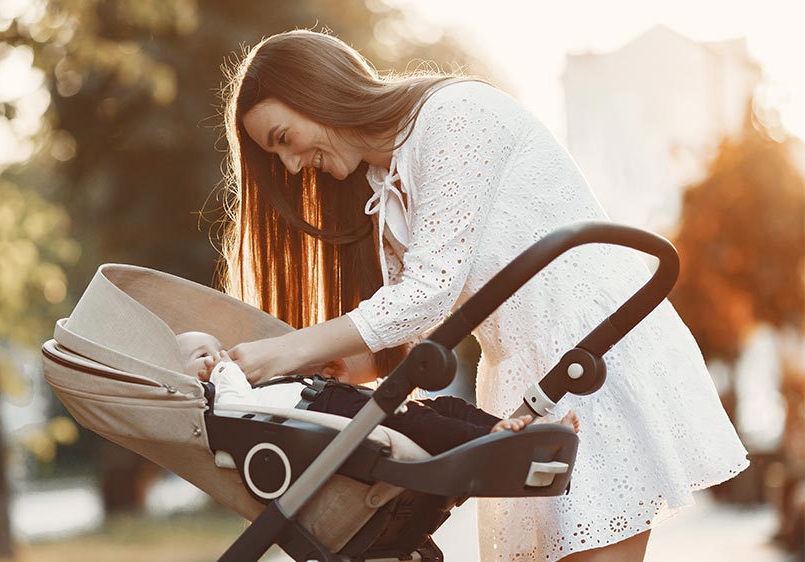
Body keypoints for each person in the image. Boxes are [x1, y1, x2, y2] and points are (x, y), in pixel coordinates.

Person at [214, 29, 749, 562]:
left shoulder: (454, 117)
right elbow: (406, 318)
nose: (288, 165)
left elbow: (426, 294)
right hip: (530, 373)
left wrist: (282, 351)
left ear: (318, 92)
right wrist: (328, 371)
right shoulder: (385, 185)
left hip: (591, 349)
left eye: (283, 138)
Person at [176, 330, 579, 454]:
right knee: (414, 419)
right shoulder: (218, 401)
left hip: (329, 401)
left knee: (444, 405)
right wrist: (226, 368)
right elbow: (234, 403)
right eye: (201, 355)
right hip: (325, 409)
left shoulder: (247, 382)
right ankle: (493, 442)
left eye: (218, 348)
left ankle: (514, 431)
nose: (217, 356)